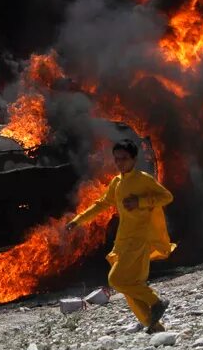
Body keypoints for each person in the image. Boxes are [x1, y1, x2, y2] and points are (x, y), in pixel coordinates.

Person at [66, 139, 175, 333]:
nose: (119, 163)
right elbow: (102, 204)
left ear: (134, 158)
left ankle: (156, 301)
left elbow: (167, 197)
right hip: (124, 240)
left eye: (124, 158)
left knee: (116, 280)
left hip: (139, 239)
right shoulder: (117, 182)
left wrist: (140, 201)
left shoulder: (143, 179)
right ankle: (154, 325)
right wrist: (78, 220)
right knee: (131, 286)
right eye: (116, 159)